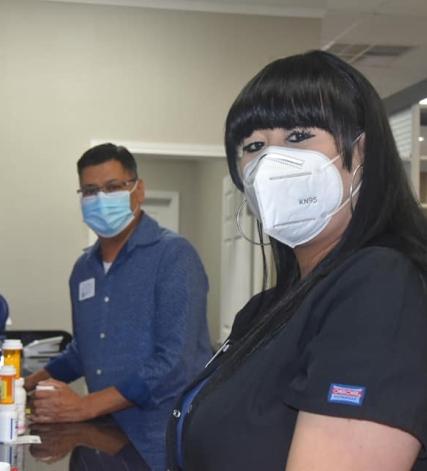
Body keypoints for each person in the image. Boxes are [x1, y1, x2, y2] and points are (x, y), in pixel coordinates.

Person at [166, 50, 427, 471]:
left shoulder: (379, 285)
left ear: (361, 152)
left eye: (299, 136)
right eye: (253, 146)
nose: (270, 162)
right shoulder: (265, 310)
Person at [25, 143, 212, 470]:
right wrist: (23, 385)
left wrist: (84, 406)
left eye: (113, 187)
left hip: (160, 440)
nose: (101, 198)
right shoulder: (83, 269)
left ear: (138, 190)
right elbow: (84, 351)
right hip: (103, 438)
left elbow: (175, 362)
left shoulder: (174, 256)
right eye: (90, 191)